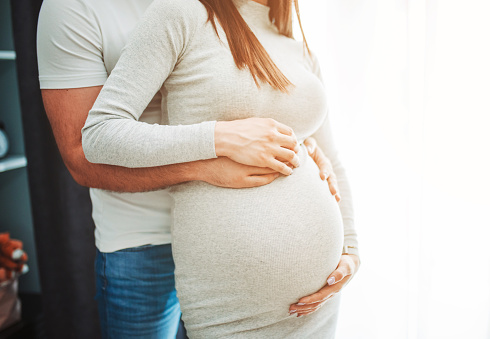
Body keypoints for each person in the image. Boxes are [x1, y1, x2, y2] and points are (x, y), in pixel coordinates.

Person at [36, 0, 359, 337]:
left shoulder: (285, 38)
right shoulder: (92, 9)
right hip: (146, 240)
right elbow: (87, 149)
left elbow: (324, 152)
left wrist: (350, 248)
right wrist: (213, 150)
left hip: (310, 298)